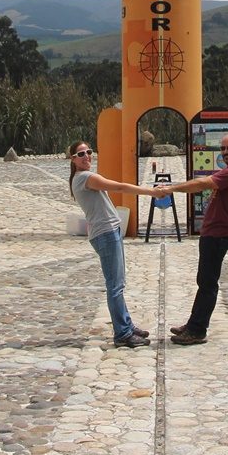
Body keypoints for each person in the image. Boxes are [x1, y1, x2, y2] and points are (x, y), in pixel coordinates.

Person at [68, 140, 165, 349]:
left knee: (118, 284)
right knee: (115, 286)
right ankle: (122, 333)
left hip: (108, 232)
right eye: (81, 154)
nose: (87, 156)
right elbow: (119, 187)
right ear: (73, 159)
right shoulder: (85, 178)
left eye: (89, 152)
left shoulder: (81, 178)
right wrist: (151, 192)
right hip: (105, 234)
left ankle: (127, 325)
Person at [166, 132, 228, 345]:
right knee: (204, 281)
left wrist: (171, 188)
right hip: (213, 234)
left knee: (208, 284)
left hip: (217, 236)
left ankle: (197, 330)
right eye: (222, 148)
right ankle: (194, 323)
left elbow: (203, 183)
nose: (225, 152)